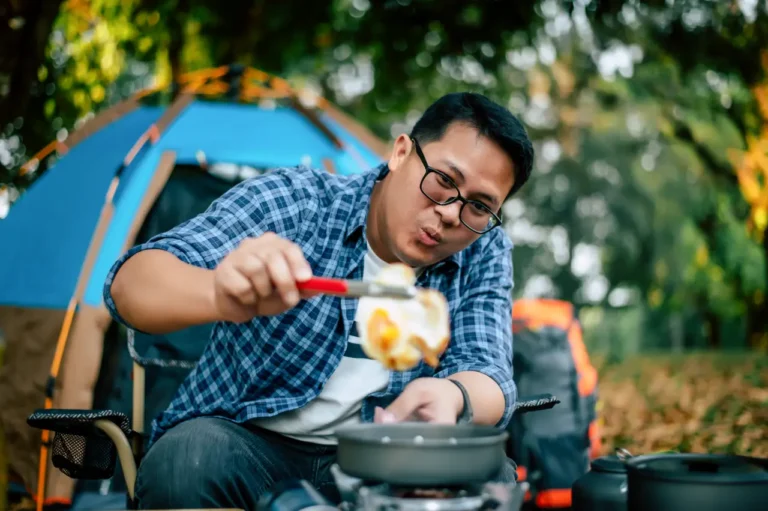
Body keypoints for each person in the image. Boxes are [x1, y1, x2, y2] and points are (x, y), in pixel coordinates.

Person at [103, 91, 535, 509]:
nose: (450, 214)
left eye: (478, 206)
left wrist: (452, 396)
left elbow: (489, 371)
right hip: (249, 445)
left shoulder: (485, 248)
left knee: (492, 475)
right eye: (443, 180)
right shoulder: (299, 201)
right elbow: (129, 287)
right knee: (184, 462)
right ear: (401, 153)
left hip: (381, 458)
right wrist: (218, 293)